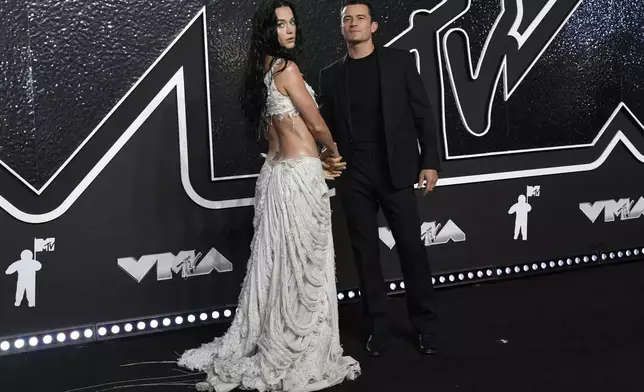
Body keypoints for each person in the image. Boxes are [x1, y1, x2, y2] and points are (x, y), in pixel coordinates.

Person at [178, 1, 360, 391]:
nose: (290, 29)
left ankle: (274, 335)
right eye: (281, 24)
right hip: (298, 178)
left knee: (277, 264)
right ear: (267, 30)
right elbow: (313, 122)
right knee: (304, 265)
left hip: (274, 175)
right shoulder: (287, 69)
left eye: (292, 22)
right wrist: (332, 151)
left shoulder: (262, 71)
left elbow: (275, 133)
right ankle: (298, 347)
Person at [318, 0, 441, 356]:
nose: (354, 24)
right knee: (365, 255)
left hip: (396, 168)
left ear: (373, 26)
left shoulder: (400, 62)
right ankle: (377, 327)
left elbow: (423, 115)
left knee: (412, 250)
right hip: (352, 171)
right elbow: (324, 128)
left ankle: (426, 325)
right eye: (347, 20)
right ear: (342, 28)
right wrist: (326, 158)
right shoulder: (329, 75)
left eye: (360, 18)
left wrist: (429, 161)